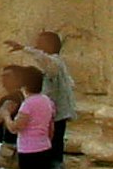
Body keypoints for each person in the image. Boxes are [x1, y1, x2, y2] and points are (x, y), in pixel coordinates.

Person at [5, 63, 69, 169]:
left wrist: (6, 116)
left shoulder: (28, 104)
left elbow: (15, 127)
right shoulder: (47, 102)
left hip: (29, 151)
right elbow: (51, 129)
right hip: (44, 147)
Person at [28, 29, 77, 159]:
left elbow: (46, 61)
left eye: (41, 43)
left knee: (53, 148)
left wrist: (25, 49)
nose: (37, 45)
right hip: (55, 114)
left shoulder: (55, 63)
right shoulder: (58, 64)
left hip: (57, 115)